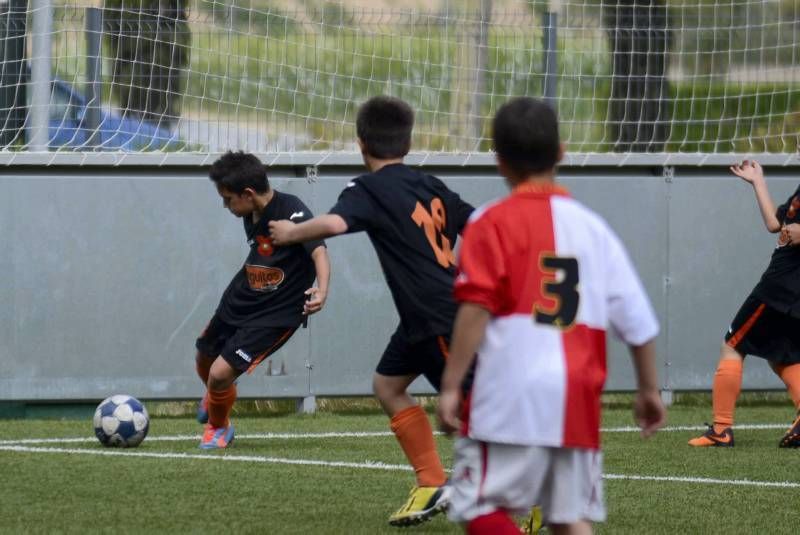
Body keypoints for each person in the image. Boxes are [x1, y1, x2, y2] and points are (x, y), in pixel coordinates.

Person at [437, 97, 666, 535]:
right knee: (567, 518)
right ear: (561, 151)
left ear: (499, 161)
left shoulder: (490, 222)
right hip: (576, 396)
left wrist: (451, 385)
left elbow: (477, 306)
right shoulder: (593, 228)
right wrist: (648, 390)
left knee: (476, 506)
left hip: (512, 391)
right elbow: (638, 321)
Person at [268, 95, 474, 526]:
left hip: (438, 316)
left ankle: (526, 493)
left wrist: (290, 233)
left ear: (361, 144)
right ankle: (431, 482)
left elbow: (335, 224)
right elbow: (475, 225)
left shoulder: (367, 188)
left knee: (474, 414)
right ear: (409, 141)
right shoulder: (430, 184)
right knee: (387, 384)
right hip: (424, 316)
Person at [194, 151, 330, 450]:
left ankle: (219, 428)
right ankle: (218, 395)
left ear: (248, 194)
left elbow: (318, 249)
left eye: (228, 199)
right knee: (203, 358)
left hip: (274, 315)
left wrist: (322, 289)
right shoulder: (251, 211)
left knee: (218, 374)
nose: (225, 206)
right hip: (240, 298)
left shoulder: (293, 212)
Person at [688, 160, 800, 448]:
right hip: (786, 285)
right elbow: (774, 224)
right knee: (782, 356)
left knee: (733, 343)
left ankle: (721, 429)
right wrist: (757, 181)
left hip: (780, 287)